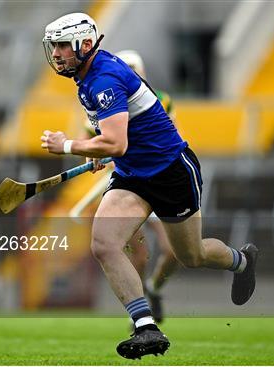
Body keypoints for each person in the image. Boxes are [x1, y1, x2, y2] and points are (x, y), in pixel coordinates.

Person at [40, 13, 258, 360]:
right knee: (104, 244)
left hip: (170, 172)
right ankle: (146, 327)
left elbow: (117, 143)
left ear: (84, 44)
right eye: (55, 47)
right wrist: (99, 146)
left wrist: (68, 145)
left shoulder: (104, 79)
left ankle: (241, 261)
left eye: (64, 46)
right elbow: (115, 141)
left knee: (191, 256)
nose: (58, 54)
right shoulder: (87, 76)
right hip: (133, 176)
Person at [70, 49, 181, 324]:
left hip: (158, 176)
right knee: (138, 253)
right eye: (127, 67)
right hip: (129, 182)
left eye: (135, 68)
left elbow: (170, 134)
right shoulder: (101, 97)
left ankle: (154, 288)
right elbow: (92, 141)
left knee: (174, 251)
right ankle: (140, 311)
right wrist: (94, 158)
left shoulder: (160, 100)